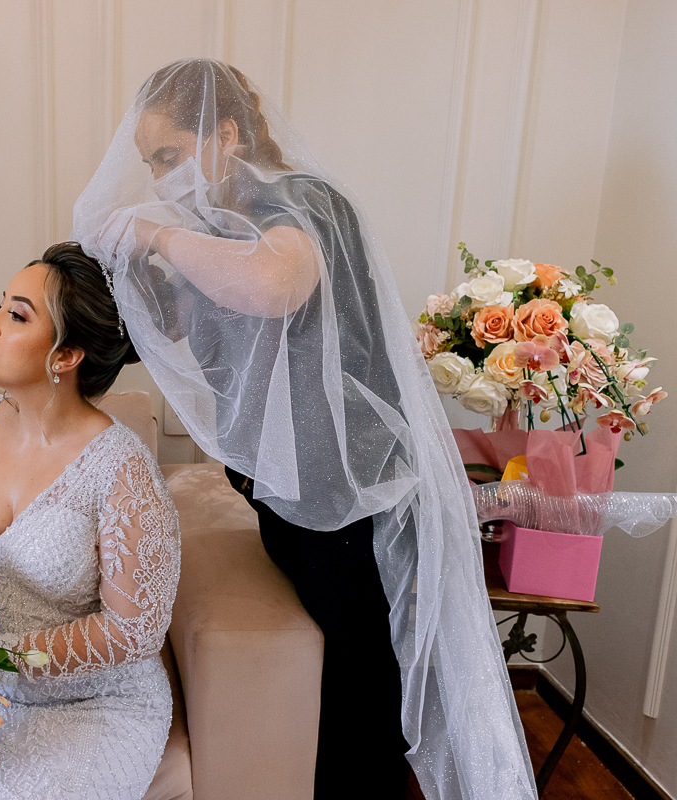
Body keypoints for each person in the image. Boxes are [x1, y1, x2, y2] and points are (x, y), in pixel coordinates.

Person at [74, 59, 537, 800]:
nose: (160, 180)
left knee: (362, 686)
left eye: (169, 155)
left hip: (349, 491)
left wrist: (153, 236)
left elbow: (276, 283)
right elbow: (184, 326)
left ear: (226, 134)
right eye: (151, 164)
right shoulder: (220, 231)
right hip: (289, 493)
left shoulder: (300, 200)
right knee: (337, 676)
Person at [0, 242, 180, 800]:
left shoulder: (122, 468)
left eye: (17, 315)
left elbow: (134, 630)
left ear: (65, 356)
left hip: (94, 706)